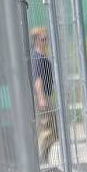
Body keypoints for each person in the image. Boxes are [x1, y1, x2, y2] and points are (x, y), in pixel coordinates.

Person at [30, 27, 57, 164]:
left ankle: (44, 158)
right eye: (43, 39)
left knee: (53, 130)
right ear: (36, 40)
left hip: (45, 96)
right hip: (42, 97)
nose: (45, 41)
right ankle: (40, 159)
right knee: (47, 130)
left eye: (46, 38)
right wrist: (41, 98)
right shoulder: (37, 58)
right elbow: (37, 80)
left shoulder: (41, 55)